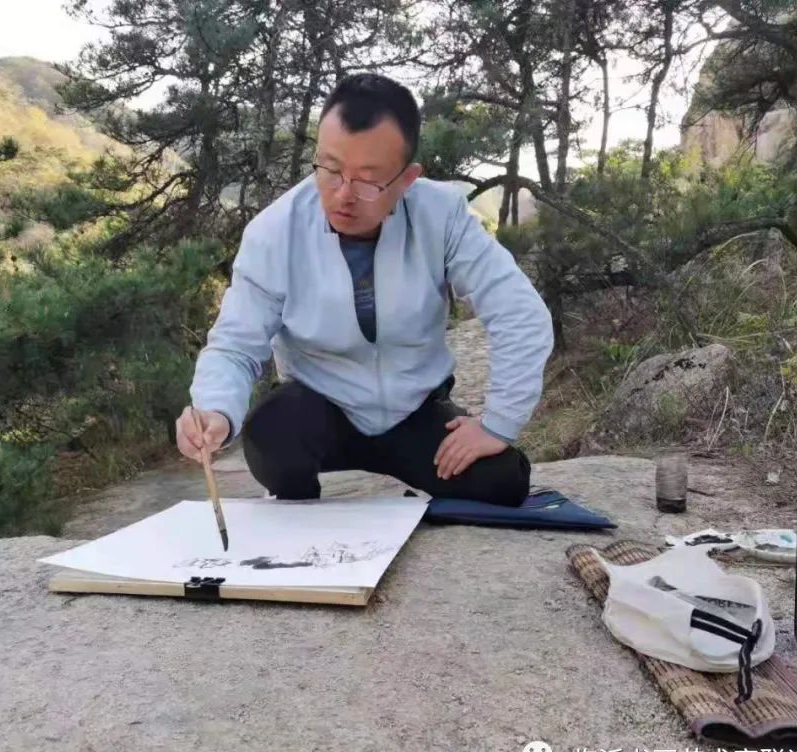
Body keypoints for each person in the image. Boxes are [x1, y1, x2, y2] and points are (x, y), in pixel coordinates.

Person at [175, 73, 553, 506]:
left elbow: (520, 314)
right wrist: (214, 410)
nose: (343, 196)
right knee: (271, 438)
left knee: (501, 482)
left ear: (407, 179)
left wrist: (496, 424)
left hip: (414, 411)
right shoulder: (275, 232)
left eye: (369, 180)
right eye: (330, 169)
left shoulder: (441, 214)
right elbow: (235, 345)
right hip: (320, 412)